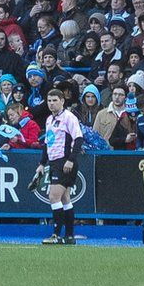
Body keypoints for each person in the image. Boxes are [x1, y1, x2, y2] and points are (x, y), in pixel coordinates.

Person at [40, 82, 85, 245]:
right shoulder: (49, 120)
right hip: (54, 162)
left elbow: (79, 139)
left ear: (62, 101)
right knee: (65, 199)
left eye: (54, 100)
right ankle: (70, 235)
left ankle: (57, 234)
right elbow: (47, 142)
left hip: (64, 161)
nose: (51, 103)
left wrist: (71, 160)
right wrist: (41, 163)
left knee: (53, 196)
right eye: (49, 100)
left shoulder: (69, 117)